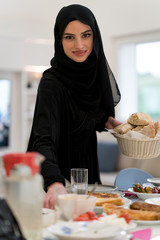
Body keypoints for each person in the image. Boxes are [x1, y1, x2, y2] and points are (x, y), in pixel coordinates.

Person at [27, 4, 121, 209]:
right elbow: (43, 138)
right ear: (59, 40)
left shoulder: (94, 76)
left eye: (86, 35)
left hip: (88, 174)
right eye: (69, 37)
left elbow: (82, 115)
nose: (79, 44)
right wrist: (54, 182)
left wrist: (104, 121)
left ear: (95, 36)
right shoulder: (51, 83)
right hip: (58, 181)